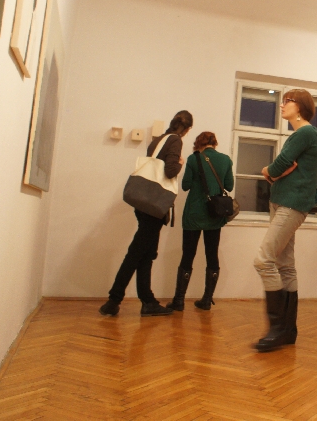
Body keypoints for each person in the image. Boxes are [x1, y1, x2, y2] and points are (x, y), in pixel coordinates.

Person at [100, 110, 193, 317]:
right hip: (155, 205)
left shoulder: (158, 140)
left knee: (146, 254)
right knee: (136, 253)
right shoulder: (175, 140)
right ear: (187, 129)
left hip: (143, 203)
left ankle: (148, 301)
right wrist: (180, 163)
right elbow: (170, 171)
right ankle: (113, 300)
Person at [252, 89, 317, 352]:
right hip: (283, 202)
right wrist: (277, 173)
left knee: (263, 260)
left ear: (300, 106)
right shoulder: (301, 135)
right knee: (285, 265)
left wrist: (268, 171)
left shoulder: (305, 133)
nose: (282, 105)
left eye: (287, 101)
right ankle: (288, 330)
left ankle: (277, 328)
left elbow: (281, 163)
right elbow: (285, 166)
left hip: (291, 204)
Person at [166, 131, 234, 312]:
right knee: (212, 255)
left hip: (194, 214)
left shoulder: (193, 158)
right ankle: (206, 300)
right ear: (215, 143)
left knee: (188, 256)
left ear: (199, 143)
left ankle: (179, 300)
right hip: (215, 214)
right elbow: (229, 185)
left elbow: (186, 185)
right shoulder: (226, 160)